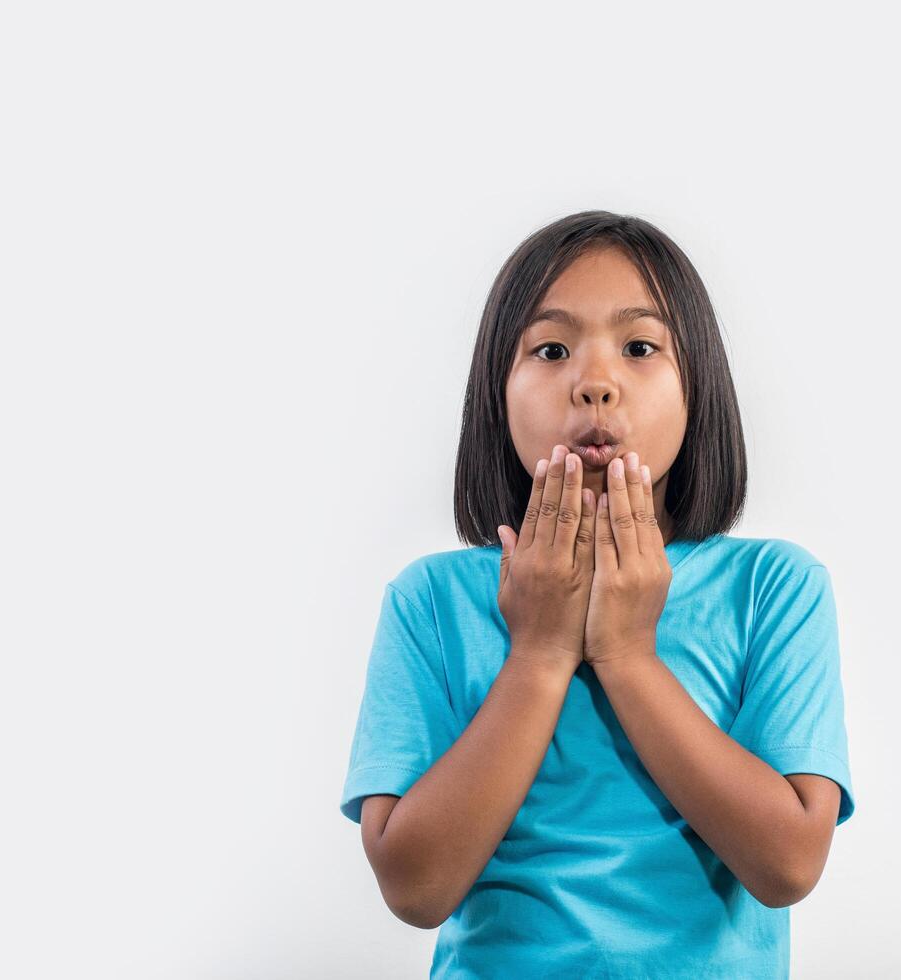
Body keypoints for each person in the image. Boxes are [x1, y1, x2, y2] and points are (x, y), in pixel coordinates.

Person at [339, 209, 856, 978]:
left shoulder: (773, 588)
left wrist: (626, 652)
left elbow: (786, 865)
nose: (594, 384)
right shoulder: (432, 601)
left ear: (698, 388)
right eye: (550, 349)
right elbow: (415, 888)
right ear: (495, 391)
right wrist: (541, 651)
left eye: (640, 347)